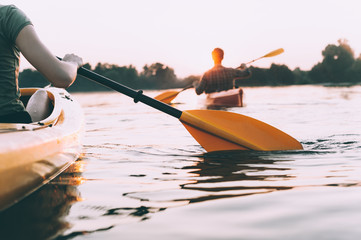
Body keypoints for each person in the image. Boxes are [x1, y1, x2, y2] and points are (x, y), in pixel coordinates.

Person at [0, 4, 83, 123]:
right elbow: (62, 78)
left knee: (41, 93)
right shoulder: (7, 15)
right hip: (9, 120)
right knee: (41, 94)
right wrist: (72, 62)